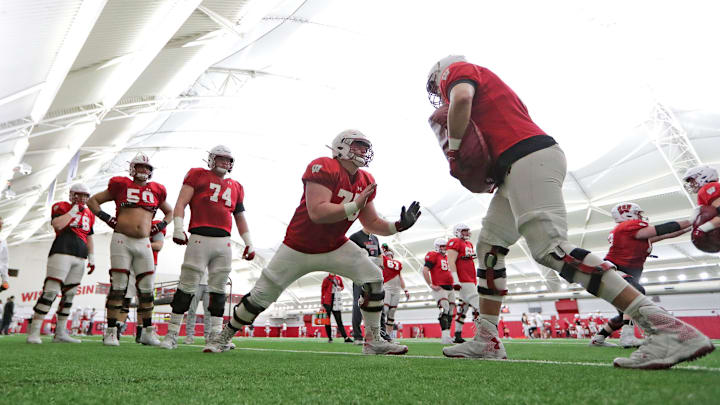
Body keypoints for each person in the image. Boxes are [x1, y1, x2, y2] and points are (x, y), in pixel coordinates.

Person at [428, 55, 714, 368]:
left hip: (527, 158)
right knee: (490, 247)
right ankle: (486, 339)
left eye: (436, 84)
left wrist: (454, 149)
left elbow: (462, 97)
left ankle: (666, 329)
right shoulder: (494, 91)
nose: (438, 91)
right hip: (518, 164)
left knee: (550, 247)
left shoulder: (459, 71)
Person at [205, 129, 420, 355]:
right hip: (298, 246)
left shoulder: (366, 180)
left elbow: (373, 222)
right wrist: (354, 205)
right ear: (341, 147)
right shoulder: (324, 165)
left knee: (374, 277)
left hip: (334, 245)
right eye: (358, 145)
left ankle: (374, 340)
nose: (364, 151)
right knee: (261, 296)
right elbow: (317, 212)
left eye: (366, 146)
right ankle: (224, 336)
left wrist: (398, 226)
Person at [159, 145, 254, 351]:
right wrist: (177, 227)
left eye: (227, 160)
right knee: (187, 286)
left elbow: (239, 216)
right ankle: (172, 333)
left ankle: (215, 336)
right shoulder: (197, 175)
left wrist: (249, 242)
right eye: (220, 159)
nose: (224, 163)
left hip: (224, 241)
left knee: (219, 291)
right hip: (200, 237)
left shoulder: (236, 186)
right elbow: (181, 202)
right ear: (211, 159)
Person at [88, 152, 173, 347]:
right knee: (119, 285)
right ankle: (111, 331)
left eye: (146, 168)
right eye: (140, 167)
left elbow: (170, 212)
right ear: (132, 168)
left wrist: (159, 227)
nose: (143, 170)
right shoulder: (121, 185)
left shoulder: (157, 190)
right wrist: (107, 219)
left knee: (147, 288)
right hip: (122, 239)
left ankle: (147, 332)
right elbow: (93, 201)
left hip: (143, 241)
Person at [590, 203, 691, 348]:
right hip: (614, 271)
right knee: (636, 294)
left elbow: (669, 234)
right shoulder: (625, 227)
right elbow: (663, 228)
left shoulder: (635, 234)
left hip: (619, 274)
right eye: (637, 213)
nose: (640, 216)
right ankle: (627, 337)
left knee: (625, 313)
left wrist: (696, 225)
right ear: (627, 215)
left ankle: (598, 339)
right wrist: (692, 220)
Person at [26, 183, 96, 344]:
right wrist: (72, 212)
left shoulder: (89, 213)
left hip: (80, 255)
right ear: (72, 194)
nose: (82, 198)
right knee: (51, 291)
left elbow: (89, 236)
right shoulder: (61, 206)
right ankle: (34, 331)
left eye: (85, 195)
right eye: (79, 194)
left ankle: (60, 333)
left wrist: (92, 256)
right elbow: (57, 225)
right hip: (62, 250)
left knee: (70, 294)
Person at [348, 229, 392, 344]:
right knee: (359, 304)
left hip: (373, 275)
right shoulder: (355, 237)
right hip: (361, 274)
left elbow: (379, 254)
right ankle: (357, 336)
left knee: (378, 303)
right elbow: (349, 255)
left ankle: (382, 333)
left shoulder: (375, 238)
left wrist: (380, 265)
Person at [133, 218, 166, 344]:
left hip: (149, 263)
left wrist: (139, 245)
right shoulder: (132, 220)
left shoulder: (156, 224)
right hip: (132, 261)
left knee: (145, 297)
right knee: (128, 295)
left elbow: (158, 245)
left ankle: (143, 331)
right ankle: (115, 330)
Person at [446, 223, 478, 343]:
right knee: (479, 305)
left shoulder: (469, 244)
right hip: (464, 279)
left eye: (467, 231)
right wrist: (455, 279)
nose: (467, 233)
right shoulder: (455, 241)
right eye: (464, 231)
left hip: (471, 278)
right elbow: (451, 261)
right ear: (458, 231)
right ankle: (483, 334)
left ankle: (457, 335)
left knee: (463, 308)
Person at [422, 238, 456, 344]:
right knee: (444, 309)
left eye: (445, 246)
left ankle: (448, 335)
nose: (444, 248)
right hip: (440, 287)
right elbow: (425, 270)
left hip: (451, 287)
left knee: (451, 311)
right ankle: (445, 336)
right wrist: (431, 284)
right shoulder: (433, 255)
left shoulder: (447, 257)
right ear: (437, 246)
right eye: (442, 246)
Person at [380, 245, 409, 342]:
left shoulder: (397, 264)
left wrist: (405, 289)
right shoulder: (383, 260)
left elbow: (400, 277)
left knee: (392, 313)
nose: (389, 253)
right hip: (387, 287)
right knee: (385, 310)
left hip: (396, 289)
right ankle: (381, 334)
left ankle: (388, 336)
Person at [320, 273, 352, 343]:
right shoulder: (326, 279)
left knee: (339, 321)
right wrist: (322, 304)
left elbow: (342, 286)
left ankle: (346, 338)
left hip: (337, 301)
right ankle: (330, 338)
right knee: (327, 321)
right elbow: (323, 291)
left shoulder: (338, 278)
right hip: (327, 302)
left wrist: (341, 288)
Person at [184, 269, 210, 345]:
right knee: (191, 310)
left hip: (210, 283)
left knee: (208, 312)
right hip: (196, 283)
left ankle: (208, 336)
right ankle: (190, 336)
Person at [0, 216, 8, 292]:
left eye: (2, 224)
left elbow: (4, 262)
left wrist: (5, 280)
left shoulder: (3, 241)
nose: (1, 226)